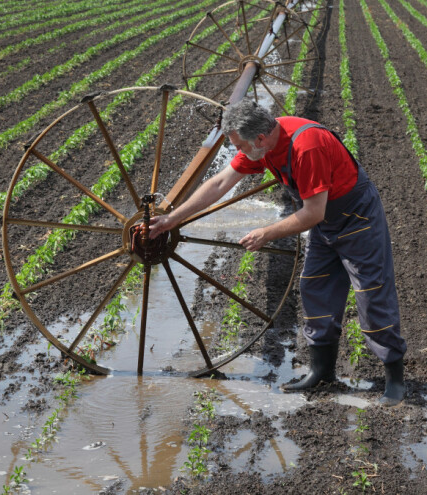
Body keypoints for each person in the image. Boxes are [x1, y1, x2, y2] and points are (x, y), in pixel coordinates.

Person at [149, 98, 407, 406]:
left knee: (371, 293)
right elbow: (220, 184)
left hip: (357, 218)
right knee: (315, 287)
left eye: (240, 146)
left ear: (259, 138)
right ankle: (322, 373)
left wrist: (266, 233)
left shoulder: (306, 147)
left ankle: (395, 379)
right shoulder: (267, 144)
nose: (239, 152)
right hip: (326, 223)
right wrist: (171, 219)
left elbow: (313, 213)